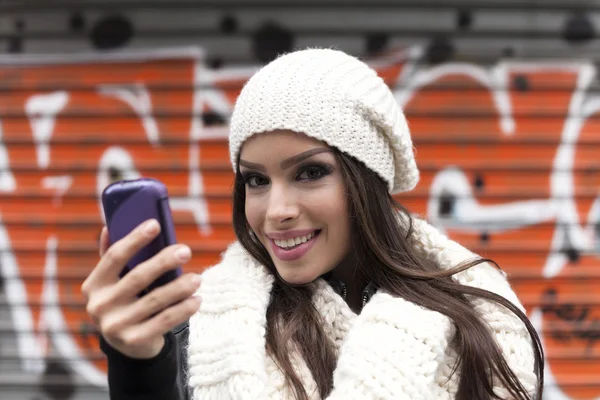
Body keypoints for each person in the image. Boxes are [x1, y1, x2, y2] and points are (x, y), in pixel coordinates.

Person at [82, 48, 544, 400]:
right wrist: (138, 366)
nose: (275, 209)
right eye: (256, 180)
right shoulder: (199, 336)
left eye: (309, 172)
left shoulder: (483, 319)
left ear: (367, 179)